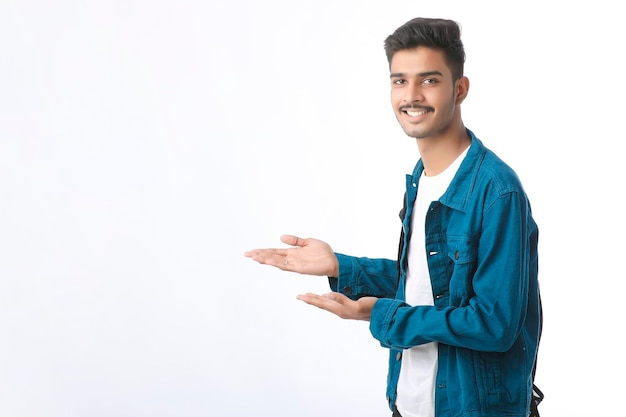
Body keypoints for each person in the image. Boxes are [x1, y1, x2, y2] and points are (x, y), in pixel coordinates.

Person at [244, 17, 542, 417]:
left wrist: (380, 314)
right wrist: (339, 266)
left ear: (460, 88)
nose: (412, 95)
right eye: (400, 81)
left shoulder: (496, 191)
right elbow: (427, 287)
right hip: (408, 403)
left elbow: (494, 324)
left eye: (429, 80)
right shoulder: (422, 179)